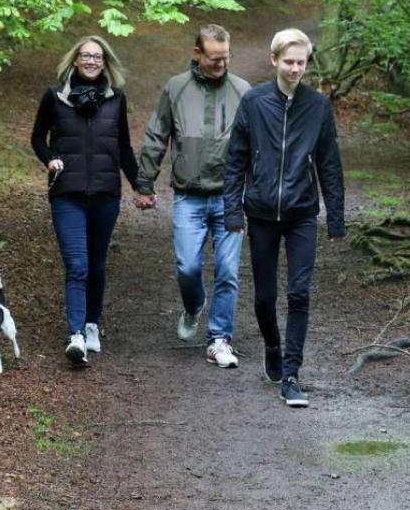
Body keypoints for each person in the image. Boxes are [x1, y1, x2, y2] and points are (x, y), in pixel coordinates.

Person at [223, 28, 345, 408]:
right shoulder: (254, 102)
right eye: (289, 61)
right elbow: (236, 160)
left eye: (301, 62)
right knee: (264, 298)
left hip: (301, 213)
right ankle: (272, 345)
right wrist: (233, 211)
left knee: (299, 293)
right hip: (260, 212)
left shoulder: (318, 106)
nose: (295, 69)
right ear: (274, 59)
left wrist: (336, 217)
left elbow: (329, 162)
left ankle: (291, 375)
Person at [134, 24, 252, 369]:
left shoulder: (243, 91)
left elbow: (259, 145)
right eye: (215, 58)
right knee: (188, 267)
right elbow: (157, 135)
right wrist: (145, 184)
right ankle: (194, 305)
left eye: (226, 58)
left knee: (228, 270)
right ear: (197, 53)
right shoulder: (176, 88)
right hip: (188, 196)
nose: (222, 64)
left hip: (231, 196)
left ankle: (219, 338)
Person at [31, 35, 138, 367]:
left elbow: (123, 147)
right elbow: (37, 138)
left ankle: (92, 324)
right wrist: (49, 158)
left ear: (105, 62)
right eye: (85, 55)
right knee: (77, 265)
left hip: (106, 194)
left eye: (98, 56)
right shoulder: (55, 96)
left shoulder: (115, 99)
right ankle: (76, 334)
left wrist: (141, 186)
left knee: (97, 265)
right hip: (68, 195)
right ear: (75, 60)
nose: (92, 61)